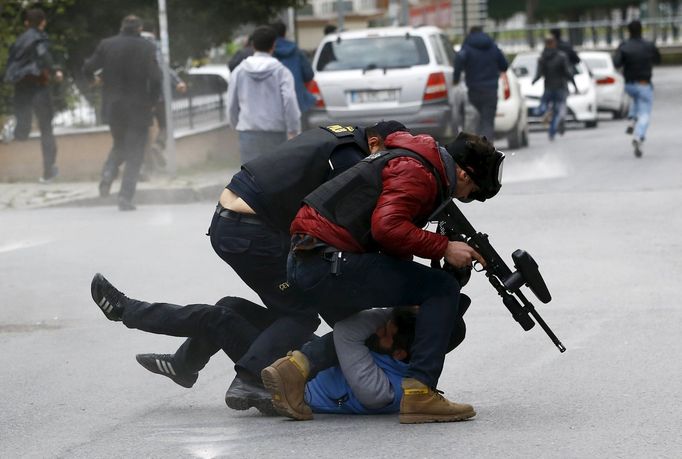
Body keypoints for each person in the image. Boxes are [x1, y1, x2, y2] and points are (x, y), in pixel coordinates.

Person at [91, 121, 407, 411]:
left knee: (237, 308)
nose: (385, 174)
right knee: (300, 313)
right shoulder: (352, 160)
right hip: (252, 229)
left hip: (232, 221)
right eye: (388, 163)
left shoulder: (341, 136)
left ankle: (186, 362)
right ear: (376, 143)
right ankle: (246, 378)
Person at [260, 130, 505, 424]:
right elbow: (387, 228)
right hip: (328, 261)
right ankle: (419, 393)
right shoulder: (418, 172)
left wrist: (414, 286)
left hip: (312, 259)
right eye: (471, 192)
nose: (464, 197)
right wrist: (444, 247)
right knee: (442, 289)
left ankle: (295, 368)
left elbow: (390, 243)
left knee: (372, 332)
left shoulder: (411, 160)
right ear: (465, 176)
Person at [88, 274, 418, 415]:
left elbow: (347, 329)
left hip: (288, 380)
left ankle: (126, 311)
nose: (377, 329)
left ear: (400, 350)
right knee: (231, 304)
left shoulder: (382, 389)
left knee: (218, 319)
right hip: (307, 359)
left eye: (385, 330)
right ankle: (184, 365)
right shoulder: (398, 357)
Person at [82, 15, 161, 211]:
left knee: (119, 144)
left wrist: (93, 80)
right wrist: (152, 101)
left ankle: (108, 173)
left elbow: (87, 67)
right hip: (138, 107)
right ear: (139, 28)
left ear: (121, 27)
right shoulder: (147, 47)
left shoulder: (106, 44)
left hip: (113, 107)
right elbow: (156, 78)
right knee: (134, 153)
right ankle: (125, 197)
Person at [4, 8, 63, 182]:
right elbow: (43, 54)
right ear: (43, 22)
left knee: (23, 130)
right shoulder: (39, 37)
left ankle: (12, 126)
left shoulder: (18, 41)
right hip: (38, 86)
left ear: (26, 23)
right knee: (46, 129)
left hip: (21, 85)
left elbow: (11, 63)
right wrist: (55, 70)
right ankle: (48, 171)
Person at [226, 25, 300, 164]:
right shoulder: (282, 72)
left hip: (247, 132)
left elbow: (231, 103)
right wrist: (293, 129)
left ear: (253, 45)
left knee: (250, 179)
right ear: (273, 45)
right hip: (275, 132)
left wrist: (236, 124)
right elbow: (289, 100)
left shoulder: (239, 71)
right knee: (274, 177)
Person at [140, 30, 187, 176]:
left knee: (143, 133)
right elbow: (164, 69)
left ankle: (147, 167)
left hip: (141, 100)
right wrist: (178, 82)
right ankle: (158, 146)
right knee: (165, 126)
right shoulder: (155, 53)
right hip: (159, 98)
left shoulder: (134, 55)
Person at [614, 20, 661, 158]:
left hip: (629, 84)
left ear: (629, 31)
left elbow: (616, 63)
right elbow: (658, 59)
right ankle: (639, 136)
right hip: (644, 83)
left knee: (636, 98)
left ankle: (632, 119)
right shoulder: (648, 45)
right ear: (641, 30)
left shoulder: (624, 46)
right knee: (645, 112)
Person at [453, 26, 508, 142]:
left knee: (477, 118)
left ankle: (478, 145)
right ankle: (487, 148)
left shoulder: (467, 47)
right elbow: (504, 65)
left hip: (474, 91)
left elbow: (458, 62)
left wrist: (456, 79)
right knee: (488, 121)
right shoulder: (492, 46)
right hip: (491, 91)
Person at [531, 36, 577, 141]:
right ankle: (553, 131)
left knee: (542, 104)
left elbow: (539, 74)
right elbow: (568, 73)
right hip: (560, 88)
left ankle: (543, 111)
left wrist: (533, 81)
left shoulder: (542, 58)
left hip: (548, 88)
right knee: (557, 112)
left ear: (545, 44)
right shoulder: (562, 56)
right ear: (554, 44)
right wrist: (574, 85)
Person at [271, 21, 316, 117]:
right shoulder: (296, 50)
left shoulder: (269, 53)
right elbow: (309, 74)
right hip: (298, 102)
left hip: (275, 105)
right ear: (284, 33)